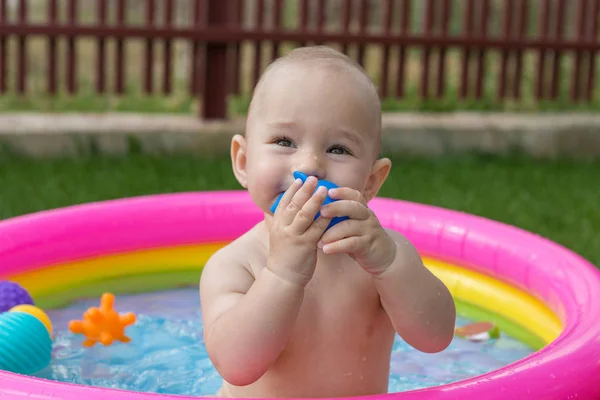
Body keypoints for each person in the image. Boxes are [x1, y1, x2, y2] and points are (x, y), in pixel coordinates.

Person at [199, 46, 456, 398]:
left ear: (370, 181)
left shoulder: (385, 257)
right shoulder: (236, 264)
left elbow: (436, 337)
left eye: (338, 149)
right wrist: (282, 275)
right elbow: (236, 365)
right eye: (284, 141)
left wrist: (391, 265)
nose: (309, 165)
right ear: (243, 161)